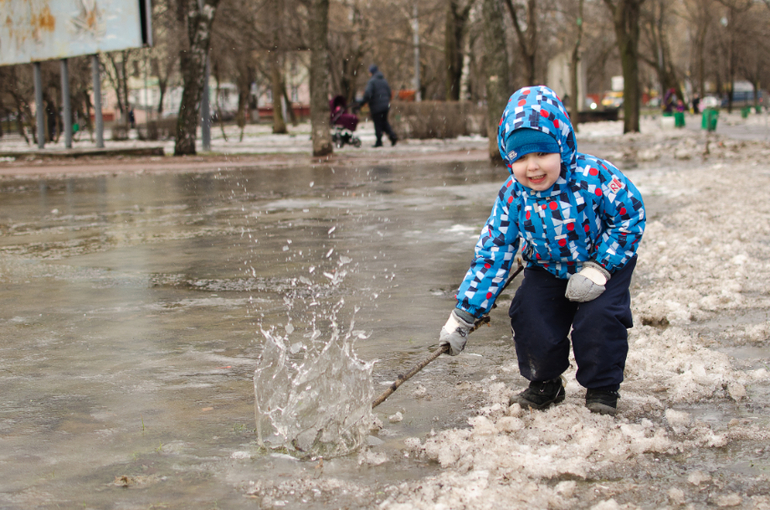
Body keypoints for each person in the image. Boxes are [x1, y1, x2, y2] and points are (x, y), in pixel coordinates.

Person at [439, 85, 646, 415]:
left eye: (542, 154)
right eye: (520, 158)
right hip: (548, 265)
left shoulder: (594, 176)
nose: (532, 167)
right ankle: (545, 383)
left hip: (604, 262)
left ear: (562, 146)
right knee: (529, 313)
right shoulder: (513, 196)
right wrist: (463, 315)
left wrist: (599, 266)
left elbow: (630, 216)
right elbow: (494, 251)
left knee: (598, 319)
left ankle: (603, 387)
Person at [360, 65, 397, 147]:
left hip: (376, 106)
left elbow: (368, 94)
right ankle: (392, 136)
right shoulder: (384, 80)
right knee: (384, 122)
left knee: (378, 124)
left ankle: (379, 141)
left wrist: (362, 102)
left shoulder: (372, 82)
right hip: (385, 105)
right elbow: (389, 93)